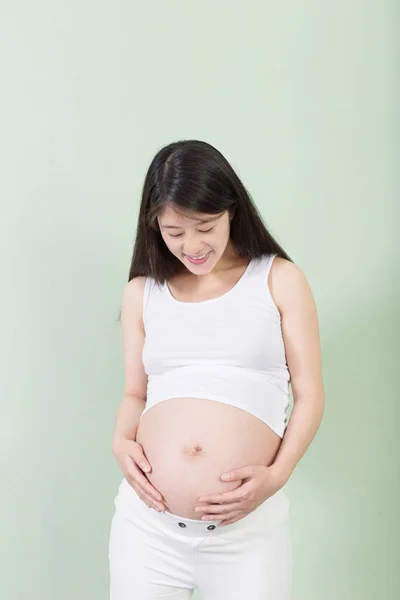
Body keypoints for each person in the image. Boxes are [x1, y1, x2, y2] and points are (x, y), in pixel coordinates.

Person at [108, 139, 325, 599]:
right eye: (174, 232)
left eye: (205, 226)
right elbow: (135, 393)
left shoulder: (279, 279)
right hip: (147, 529)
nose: (192, 246)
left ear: (231, 210)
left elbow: (309, 395)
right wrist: (120, 441)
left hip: (246, 534)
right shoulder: (142, 293)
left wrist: (276, 475)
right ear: (154, 227)